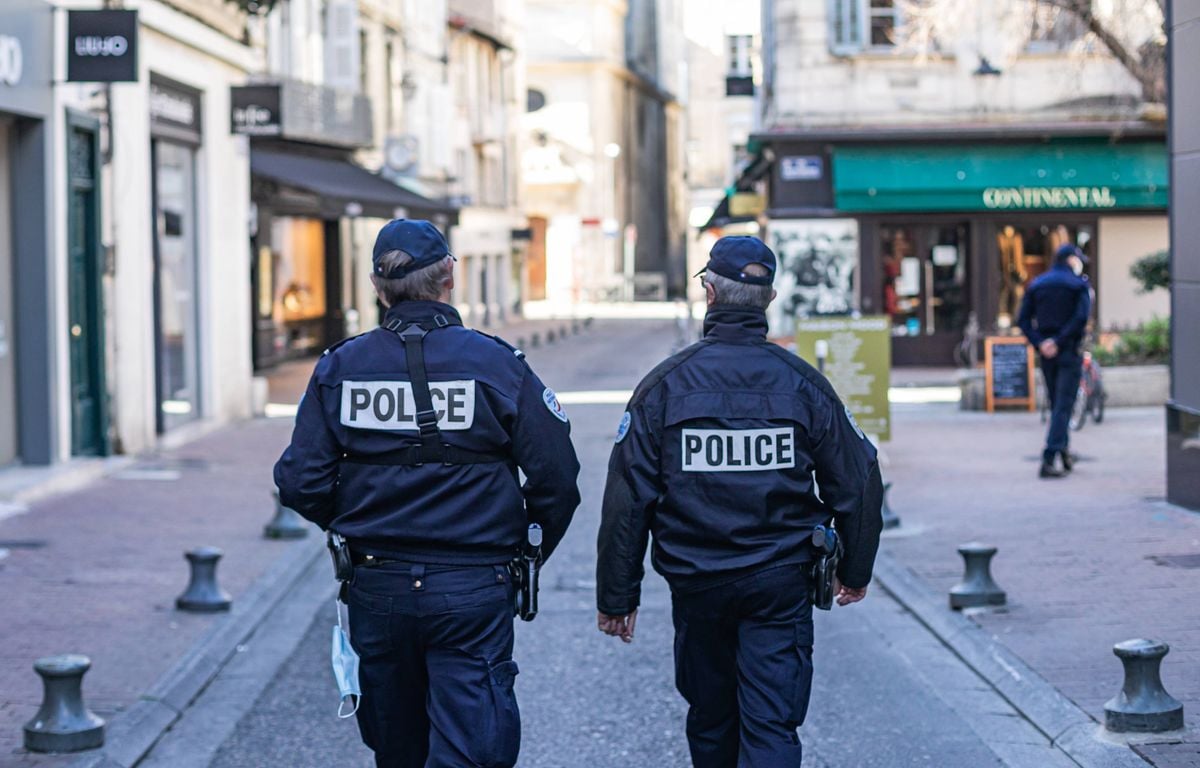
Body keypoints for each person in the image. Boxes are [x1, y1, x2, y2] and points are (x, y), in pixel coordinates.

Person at [274, 219, 581, 768]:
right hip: (472, 586)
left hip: (378, 584)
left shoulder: (340, 367)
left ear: (377, 286)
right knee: (472, 747)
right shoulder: (496, 363)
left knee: (397, 750)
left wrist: (356, 520)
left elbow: (299, 481)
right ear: (449, 279)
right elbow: (557, 476)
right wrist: (524, 549)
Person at [594, 235, 884, 767]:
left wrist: (618, 596)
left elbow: (627, 498)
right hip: (778, 582)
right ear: (770, 300)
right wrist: (856, 569)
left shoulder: (664, 386)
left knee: (711, 719)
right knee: (771, 722)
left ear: (708, 291)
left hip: (698, 583)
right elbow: (859, 478)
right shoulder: (803, 384)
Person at [1018, 242, 1092, 479]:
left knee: (1056, 403)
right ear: (1071, 260)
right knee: (1063, 405)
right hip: (1068, 351)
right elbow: (1081, 318)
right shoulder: (1078, 285)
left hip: (1047, 353)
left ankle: (1064, 452)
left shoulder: (1038, 284)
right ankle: (1050, 456)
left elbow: (1023, 320)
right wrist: (1058, 341)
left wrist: (1041, 342)